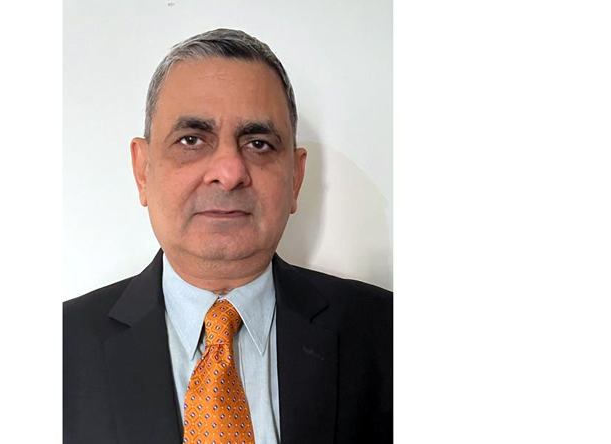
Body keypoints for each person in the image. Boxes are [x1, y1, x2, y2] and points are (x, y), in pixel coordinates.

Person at [63, 28, 392, 444]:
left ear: (296, 178)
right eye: (191, 140)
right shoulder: (58, 348)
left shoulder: (389, 333)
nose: (230, 172)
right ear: (142, 170)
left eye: (259, 144)